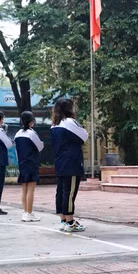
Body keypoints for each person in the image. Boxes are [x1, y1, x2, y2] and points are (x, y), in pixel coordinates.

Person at [51, 98, 88, 233]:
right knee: (70, 192)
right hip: (71, 162)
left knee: (61, 191)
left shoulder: (54, 125)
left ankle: (63, 220)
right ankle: (70, 222)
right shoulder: (70, 122)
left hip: (60, 161)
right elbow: (84, 136)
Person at [15, 111, 44, 222]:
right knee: (31, 189)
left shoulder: (18, 133)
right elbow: (40, 147)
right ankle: (29, 213)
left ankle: (25, 212)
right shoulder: (32, 133)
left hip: (22, 163)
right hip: (31, 162)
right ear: (31, 121)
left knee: (24, 188)